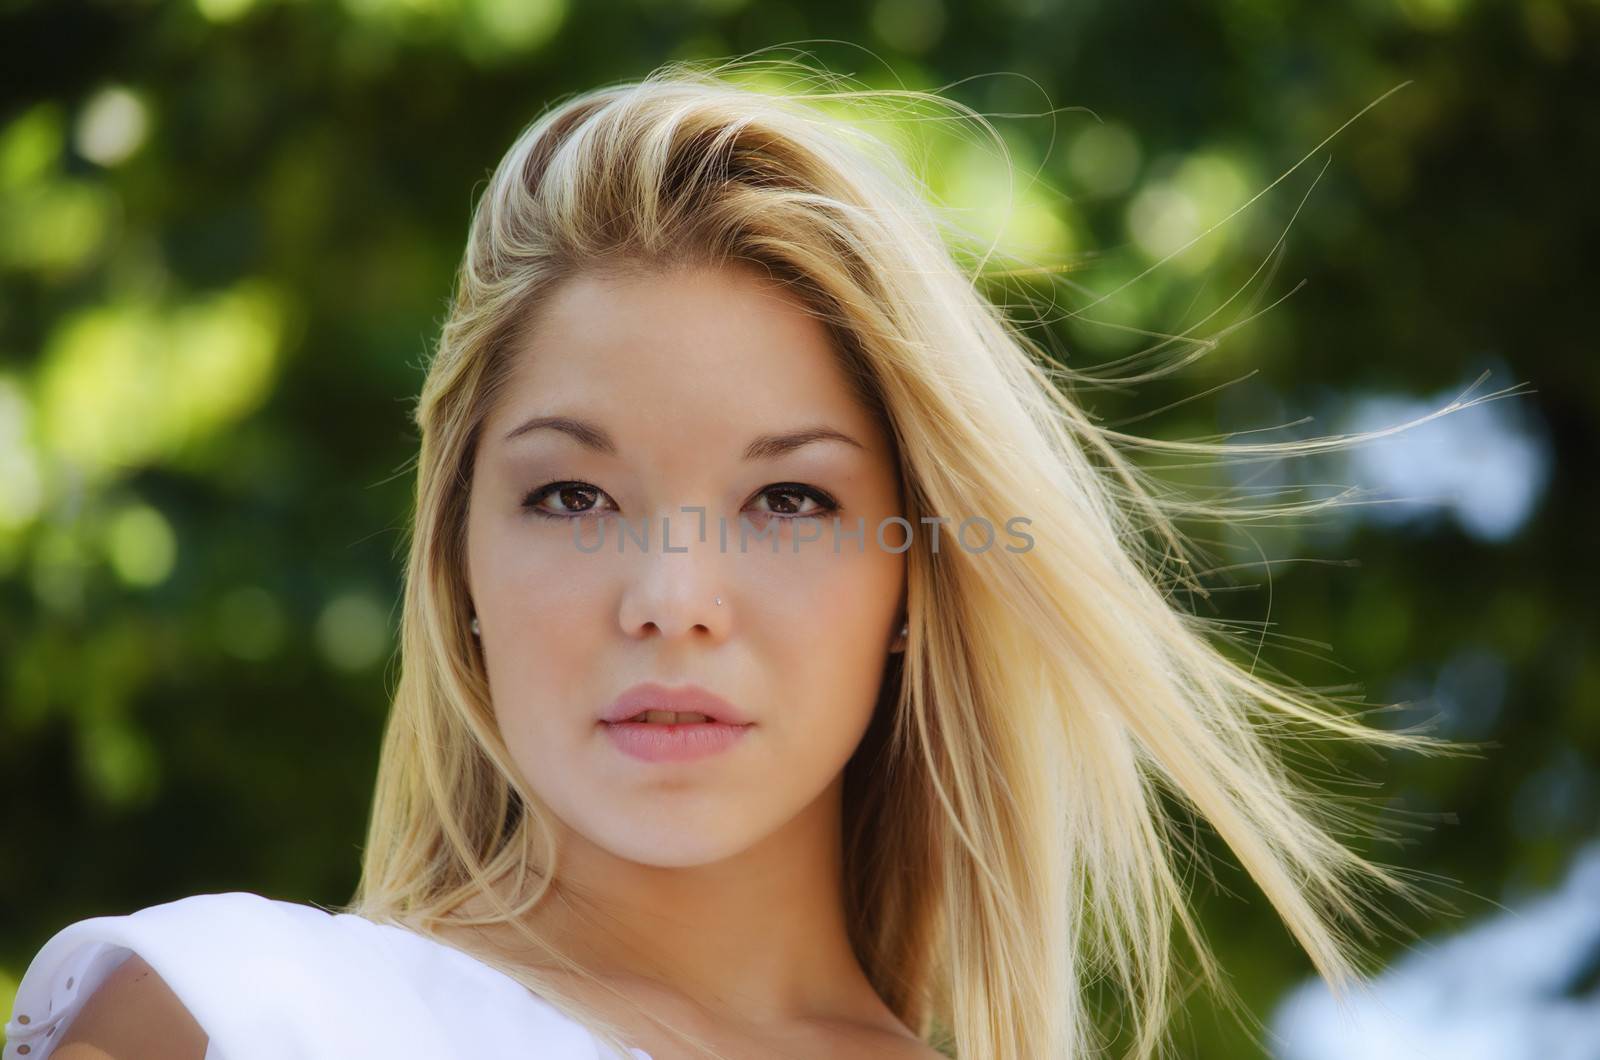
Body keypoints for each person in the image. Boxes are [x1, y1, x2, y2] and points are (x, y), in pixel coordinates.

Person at [4, 55, 1471, 1060]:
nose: (672, 602)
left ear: (914, 579)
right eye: (572, 498)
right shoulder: (241, 1015)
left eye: (788, 505)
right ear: (455, 565)